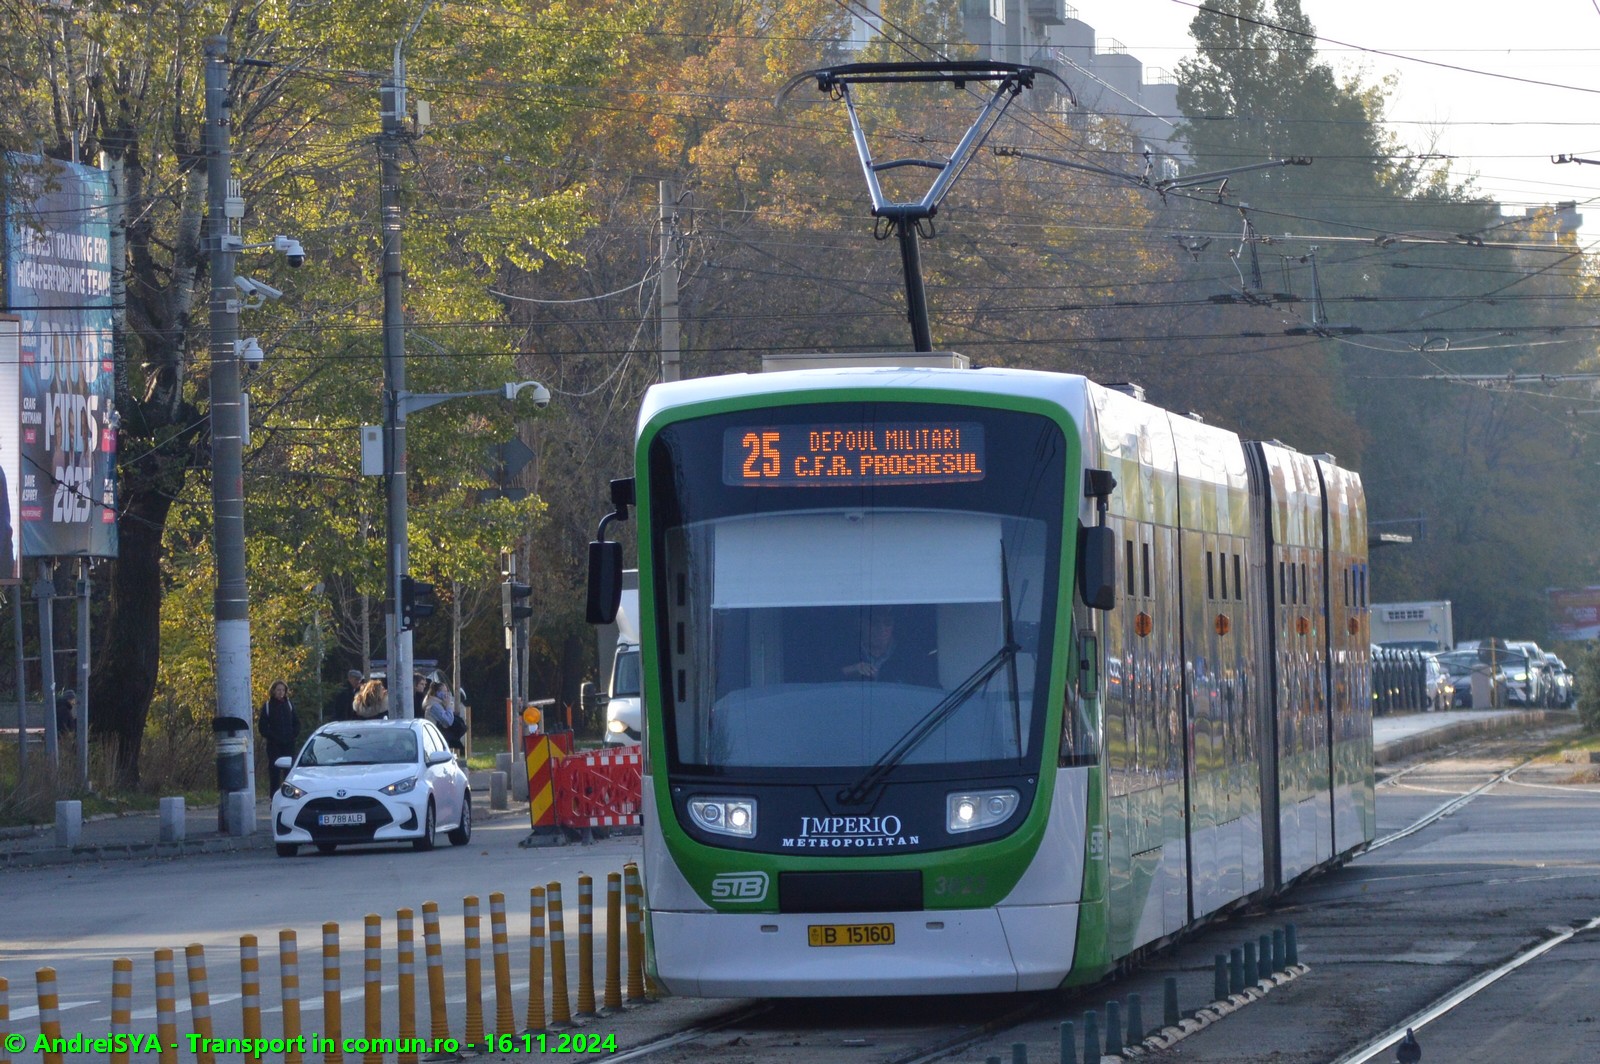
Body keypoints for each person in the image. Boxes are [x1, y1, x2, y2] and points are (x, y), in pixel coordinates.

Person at [840, 607, 933, 685]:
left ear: (893, 625)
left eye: (887, 623)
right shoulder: (844, 653)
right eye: (874, 622)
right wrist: (850, 670)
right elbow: (830, 682)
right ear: (860, 624)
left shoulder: (912, 657)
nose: (881, 628)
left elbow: (930, 690)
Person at [258, 680, 299, 791]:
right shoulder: (268, 706)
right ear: (273, 691)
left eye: (283, 690)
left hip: (289, 744)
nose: (281, 692)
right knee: (274, 772)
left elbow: (296, 722)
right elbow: (262, 727)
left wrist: (293, 735)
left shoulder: (289, 705)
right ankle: (274, 795)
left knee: (289, 771)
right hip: (274, 745)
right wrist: (273, 737)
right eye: (278, 690)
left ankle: (289, 793)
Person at [423, 680, 467, 753]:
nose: (446, 694)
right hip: (436, 737)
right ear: (437, 692)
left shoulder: (439, 703)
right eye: (444, 691)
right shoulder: (434, 705)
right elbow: (448, 721)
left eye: (447, 691)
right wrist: (448, 706)